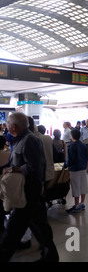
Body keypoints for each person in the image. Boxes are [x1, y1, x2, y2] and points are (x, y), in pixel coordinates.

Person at [0, 112, 59, 262]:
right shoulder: (20, 140)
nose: (6, 126)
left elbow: (35, 167)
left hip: (28, 192)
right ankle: (50, 256)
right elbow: (17, 162)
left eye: (7, 123)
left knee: (12, 231)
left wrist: (15, 169)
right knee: (40, 226)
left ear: (13, 127)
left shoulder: (29, 140)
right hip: (30, 192)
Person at [65, 128, 88, 214]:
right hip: (83, 168)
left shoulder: (72, 146)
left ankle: (76, 206)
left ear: (72, 136)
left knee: (76, 187)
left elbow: (71, 159)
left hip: (74, 169)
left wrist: (66, 165)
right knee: (83, 186)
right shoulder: (83, 145)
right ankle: (82, 203)